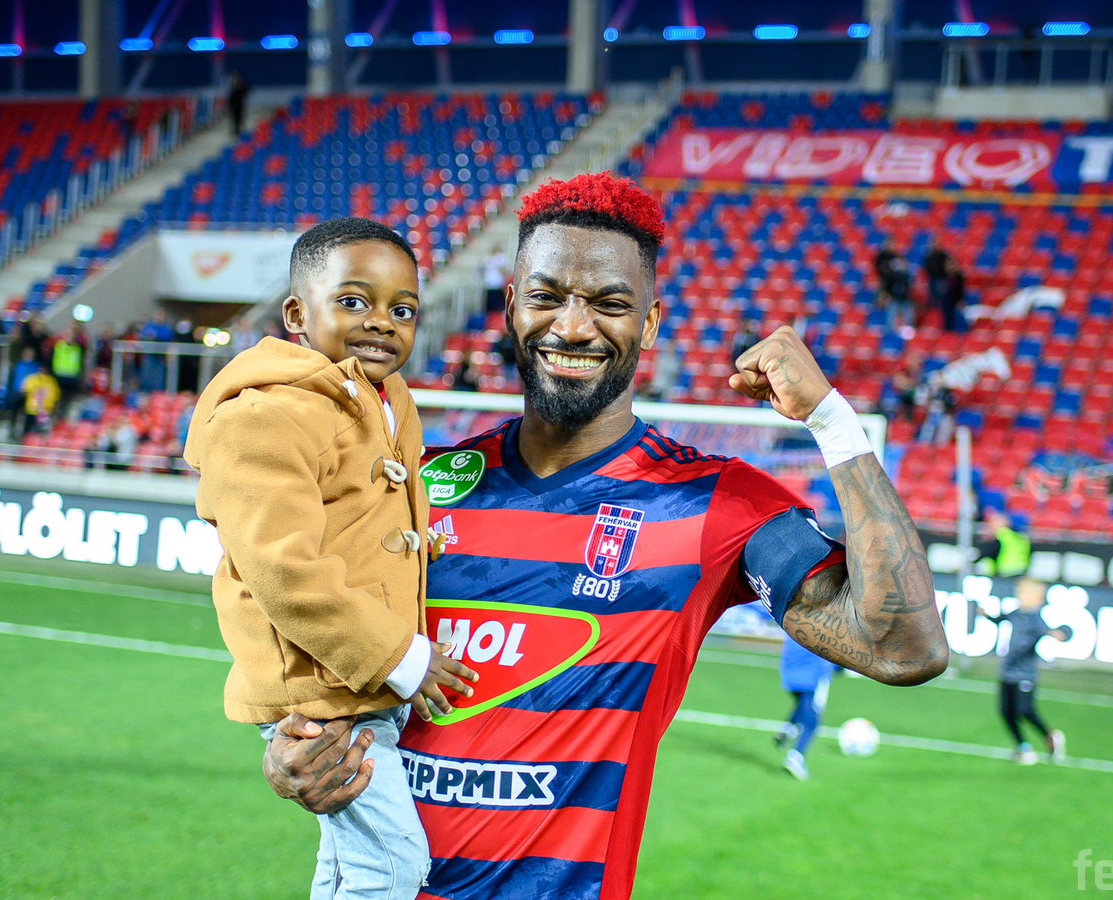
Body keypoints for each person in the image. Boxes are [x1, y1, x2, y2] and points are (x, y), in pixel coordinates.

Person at [260, 173, 948, 900]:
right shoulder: (418, 485)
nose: (573, 327)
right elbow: (325, 665)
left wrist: (832, 420)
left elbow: (904, 648)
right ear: (511, 307)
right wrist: (290, 753)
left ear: (649, 324)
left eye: (610, 304)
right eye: (547, 296)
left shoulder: (713, 506)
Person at [184, 218, 477, 900]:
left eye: (403, 310)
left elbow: (371, 520)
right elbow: (284, 571)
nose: (381, 322)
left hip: (354, 680)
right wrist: (401, 656)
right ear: (296, 314)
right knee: (393, 867)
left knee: (346, 865)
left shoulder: (387, 399)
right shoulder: (264, 415)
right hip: (320, 686)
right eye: (353, 301)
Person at [978, 578, 1067, 765]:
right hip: (1007, 672)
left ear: (1037, 597)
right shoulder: (1016, 614)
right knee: (1006, 712)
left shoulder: (1036, 621)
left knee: (1024, 710)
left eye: (1024, 593)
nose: (1019, 596)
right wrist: (986, 615)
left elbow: (1049, 632)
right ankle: (1022, 747)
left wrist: (1057, 634)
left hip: (1025, 674)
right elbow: (1000, 619)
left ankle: (1050, 735)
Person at [773, 636, 839, 781]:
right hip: (812, 677)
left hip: (789, 676)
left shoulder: (796, 628)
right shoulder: (824, 630)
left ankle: (787, 729)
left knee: (803, 705)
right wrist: (839, 667)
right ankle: (795, 757)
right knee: (812, 721)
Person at [977, 509, 1031, 578]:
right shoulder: (1021, 537)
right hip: (1021, 573)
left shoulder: (1000, 536)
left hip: (1005, 574)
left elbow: (988, 553)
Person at [939, 257, 966, 332]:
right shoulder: (944, 276)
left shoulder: (958, 277)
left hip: (955, 300)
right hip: (946, 301)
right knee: (947, 318)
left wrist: (960, 300)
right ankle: (947, 332)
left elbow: (961, 289)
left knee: (956, 318)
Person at [481, 244, 509, 315]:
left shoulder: (501, 258)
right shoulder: (487, 259)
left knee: (497, 303)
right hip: (489, 283)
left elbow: (504, 270)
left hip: (497, 283)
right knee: (489, 304)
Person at [227, 71, 250, 137]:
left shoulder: (241, 88)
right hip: (235, 106)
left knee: (240, 119)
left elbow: (246, 93)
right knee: (234, 119)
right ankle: (235, 131)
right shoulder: (233, 88)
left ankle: (238, 131)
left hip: (240, 105)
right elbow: (231, 98)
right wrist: (230, 107)